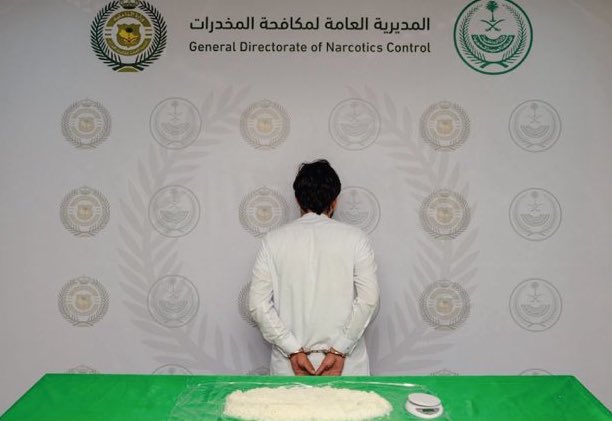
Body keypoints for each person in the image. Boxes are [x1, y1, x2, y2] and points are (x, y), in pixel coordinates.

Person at [249, 159, 379, 376]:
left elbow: (257, 305)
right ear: (335, 200)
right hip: (346, 366)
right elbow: (369, 300)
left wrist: (292, 349)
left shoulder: (273, 241)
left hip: (290, 367)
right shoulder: (356, 239)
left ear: (297, 199)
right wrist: (339, 349)